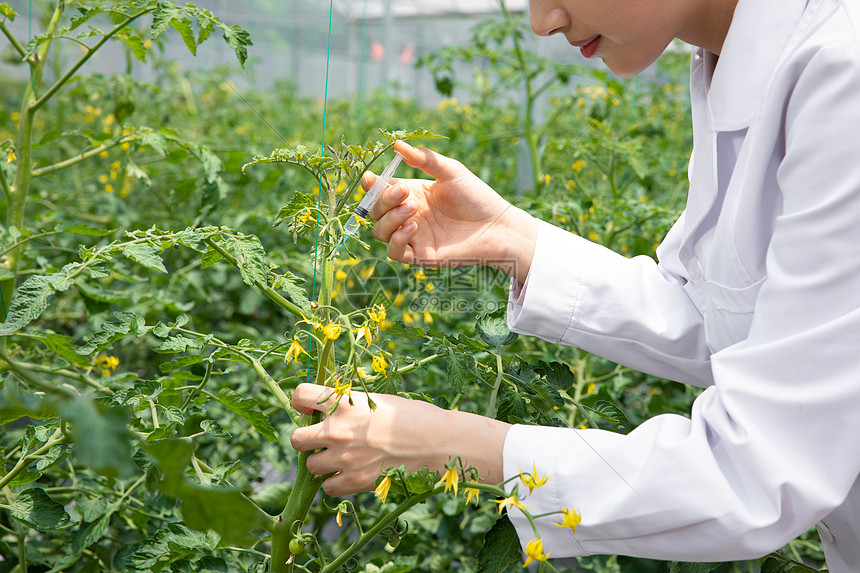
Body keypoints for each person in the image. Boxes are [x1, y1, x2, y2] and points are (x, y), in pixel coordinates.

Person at [290, 0, 860, 570]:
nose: (542, 22)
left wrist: (444, 444)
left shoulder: (843, 74)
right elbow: (725, 318)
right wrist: (512, 239)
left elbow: (757, 472)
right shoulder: (729, 63)